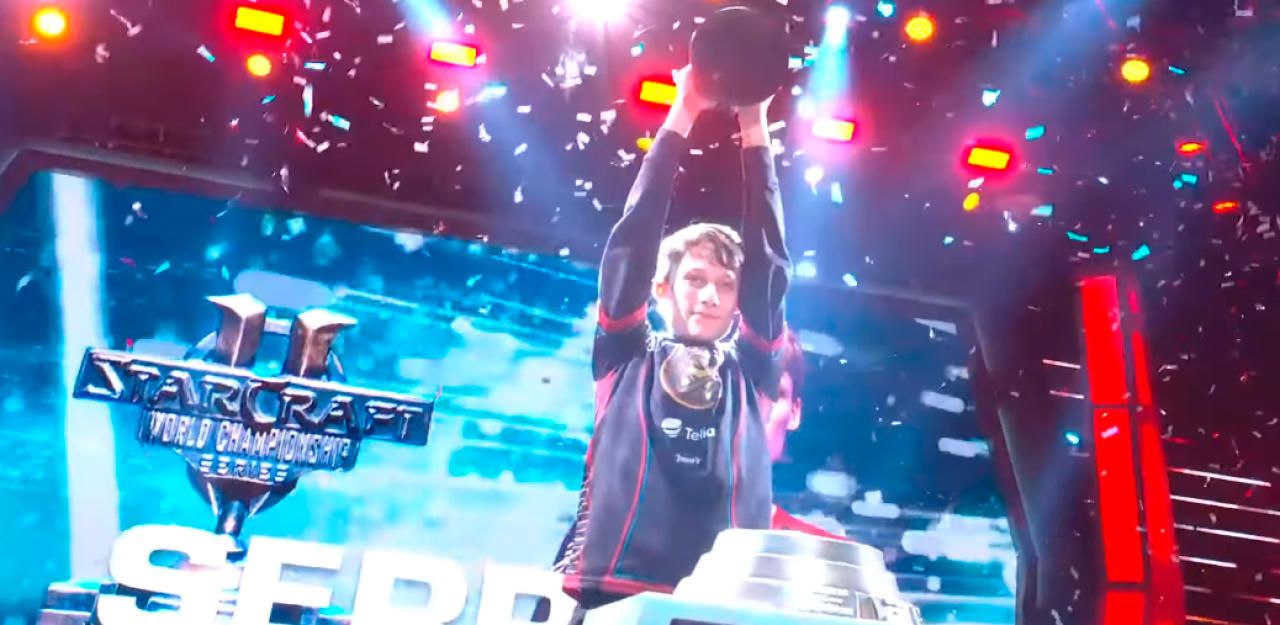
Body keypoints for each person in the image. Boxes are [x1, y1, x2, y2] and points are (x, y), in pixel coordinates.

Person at [552, 65, 791, 624]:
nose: (710, 295)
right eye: (695, 279)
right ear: (661, 288)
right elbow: (632, 243)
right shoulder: (626, 354)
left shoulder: (752, 370)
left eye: (726, 285)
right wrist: (683, 110)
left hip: (720, 602)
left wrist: (754, 124)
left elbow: (770, 263)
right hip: (613, 590)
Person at [759, 329, 848, 540]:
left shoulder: (827, 552)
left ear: (794, 413)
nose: (754, 407)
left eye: (773, 392)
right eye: (735, 389)